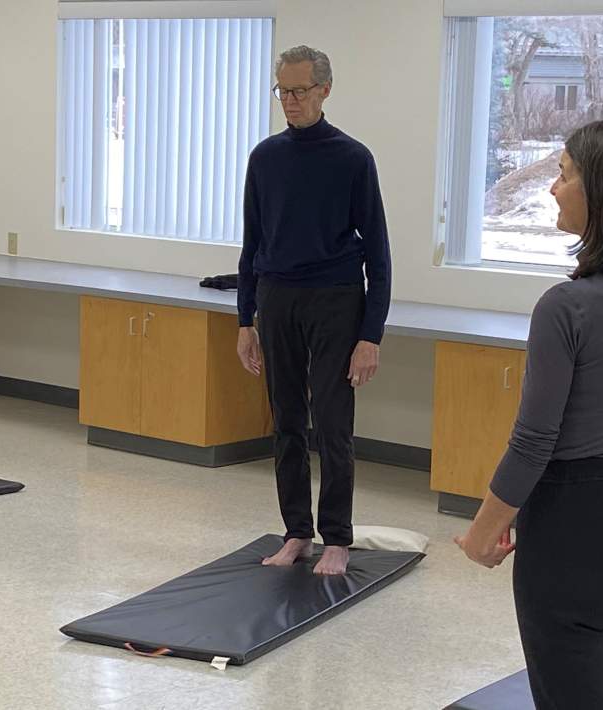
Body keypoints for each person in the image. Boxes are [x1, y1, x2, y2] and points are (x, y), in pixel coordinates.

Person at [455, 120, 603, 709]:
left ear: (601, 191)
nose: (553, 188)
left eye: (564, 175)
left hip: (569, 535)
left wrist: (482, 532)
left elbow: (535, 439)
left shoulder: (565, 306)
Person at [236, 45, 392, 576]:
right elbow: (251, 244)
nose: (290, 100)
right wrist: (245, 320)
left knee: (331, 423)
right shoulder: (265, 158)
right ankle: (297, 532)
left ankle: (338, 538)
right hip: (277, 297)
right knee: (286, 420)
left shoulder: (353, 158)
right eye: (282, 91)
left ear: (325, 90)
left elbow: (378, 253)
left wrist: (370, 335)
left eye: (300, 91)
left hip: (336, 300)